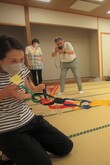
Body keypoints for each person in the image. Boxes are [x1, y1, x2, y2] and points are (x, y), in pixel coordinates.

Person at [0, 35, 73, 165]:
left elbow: (31, 92)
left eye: (21, 60)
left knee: (65, 147)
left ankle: (27, 144)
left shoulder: (21, 69)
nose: (19, 64)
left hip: (30, 119)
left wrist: (41, 89)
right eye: (13, 61)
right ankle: (7, 153)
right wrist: (4, 94)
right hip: (7, 129)